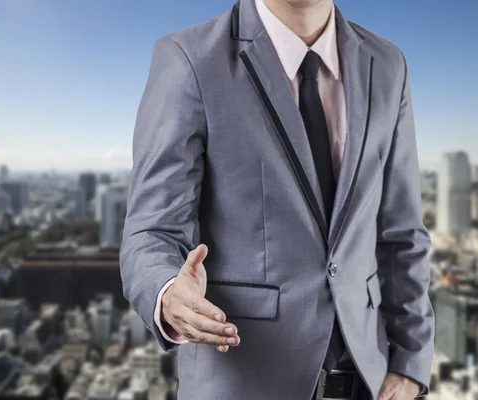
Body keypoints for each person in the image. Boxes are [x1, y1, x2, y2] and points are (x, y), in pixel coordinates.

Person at [119, 0, 435, 398]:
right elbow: (151, 230)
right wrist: (167, 293)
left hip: (369, 381)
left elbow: (402, 232)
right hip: (244, 381)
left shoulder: (387, 63)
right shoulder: (190, 59)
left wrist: (410, 364)